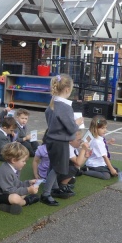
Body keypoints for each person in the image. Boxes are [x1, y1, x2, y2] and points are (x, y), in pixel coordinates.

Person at [40, 74, 84, 206]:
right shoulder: (65, 107)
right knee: (57, 168)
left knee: (53, 165)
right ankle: (46, 194)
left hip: (51, 139)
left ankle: (54, 188)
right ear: (67, 89)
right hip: (60, 141)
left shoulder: (52, 103)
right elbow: (71, 129)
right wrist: (77, 123)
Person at [0, 142, 40, 215]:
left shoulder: (15, 168)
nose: (25, 163)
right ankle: (26, 201)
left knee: (20, 193)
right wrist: (28, 190)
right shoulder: (5, 171)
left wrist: (28, 183)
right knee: (15, 198)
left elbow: (16, 184)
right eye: (23, 161)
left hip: (4, 193)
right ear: (14, 160)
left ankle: (6, 206)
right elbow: (10, 191)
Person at [53, 130, 92, 198]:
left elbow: (79, 163)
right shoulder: (67, 148)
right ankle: (62, 186)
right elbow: (78, 163)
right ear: (70, 141)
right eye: (78, 140)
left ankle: (64, 183)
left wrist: (85, 156)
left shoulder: (72, 147)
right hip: (55, 174)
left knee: (74, 172)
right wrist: (83, 149)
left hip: (60, 171)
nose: (81, 142)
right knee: (75, 167)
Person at [82, 115, 118, 180]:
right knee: (107, 176)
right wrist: (111, 169)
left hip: (101, 163)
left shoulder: (99, 137)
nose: (105, 130)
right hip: (94, 164)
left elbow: (101, 145)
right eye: (102, 128)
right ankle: (86, 170)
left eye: (105, 128)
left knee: (117, 170)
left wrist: (108, 142)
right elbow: (105, 157)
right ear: (95, 129)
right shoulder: (97, 141)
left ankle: (107, 169)